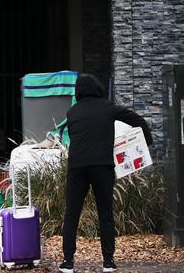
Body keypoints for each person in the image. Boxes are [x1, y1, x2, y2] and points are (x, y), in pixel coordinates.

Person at [59, 74, 152, 273]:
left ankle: (67, 262)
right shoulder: (108, 107)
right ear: (97, 88)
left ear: (78, 92)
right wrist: (146, 142)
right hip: (102, 166)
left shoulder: (72, 112)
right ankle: (108, 262)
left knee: (72, 214)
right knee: (105, 214)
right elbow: (137, 120)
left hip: (77, 168)